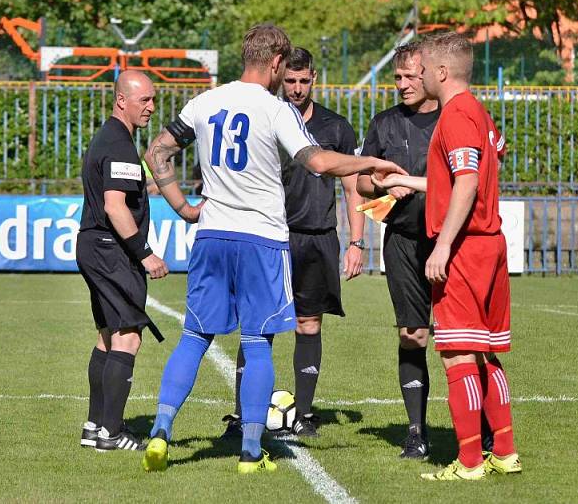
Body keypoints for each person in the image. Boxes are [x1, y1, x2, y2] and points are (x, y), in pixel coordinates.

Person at [141, 23, 405, 474]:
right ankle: (249, 452)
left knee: (195, 335)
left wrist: (184, 208)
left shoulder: (205, 101)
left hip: (212, 234)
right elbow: (319, 161)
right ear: (278, 63)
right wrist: (371, 161)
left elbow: (157, 152)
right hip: (261, 238)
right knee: (257, 342)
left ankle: (161, 432)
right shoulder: (275, 109)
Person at [372, 32, 521, 480]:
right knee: (486, 353)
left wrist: (442, 244)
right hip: (491, 243)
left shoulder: (454, 116)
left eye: (423, 69)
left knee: (457, 353)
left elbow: (466, 182)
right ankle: (505, 453)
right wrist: (409, 182)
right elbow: (474, 167)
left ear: (439, 72)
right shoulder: (480, 113)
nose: (414, 77)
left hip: (465, 248)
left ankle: (470, 461)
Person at [222, 47, 365, 439]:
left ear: (314, 79)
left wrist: (357, 241)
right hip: (269, 235)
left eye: (304, 81)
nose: (297, 88)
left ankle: (303, 414)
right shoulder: (267, 119)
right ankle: (241, 415)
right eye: (291, 81)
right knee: (256, 325)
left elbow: (352, 188)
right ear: (281, 77)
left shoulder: (336, 127)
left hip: (318, 239)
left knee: (309, 323)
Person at [76, 70, 169, 453]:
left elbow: (120, 191)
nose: (151, 107)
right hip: (110, 250)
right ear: (121, 100)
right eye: (143, 100)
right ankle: (110, 434)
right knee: (128, 337)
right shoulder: (118, 143)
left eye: (152, 99)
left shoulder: (112, 139)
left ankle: (95, 425)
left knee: (108, 336)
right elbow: (115, 206)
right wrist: (145, 254)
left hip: (95, 246)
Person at [354, 42, 439, 459]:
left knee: (465, 339)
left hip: (451, 242)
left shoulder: (456, 117)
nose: (402, 85)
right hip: (403, 241)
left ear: (432, 74)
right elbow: (363, 183)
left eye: (410, 77)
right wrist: (384, 182)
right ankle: (416, 430)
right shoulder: (385, 123)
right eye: (398, 78)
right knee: (413, 334)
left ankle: (484, 430)